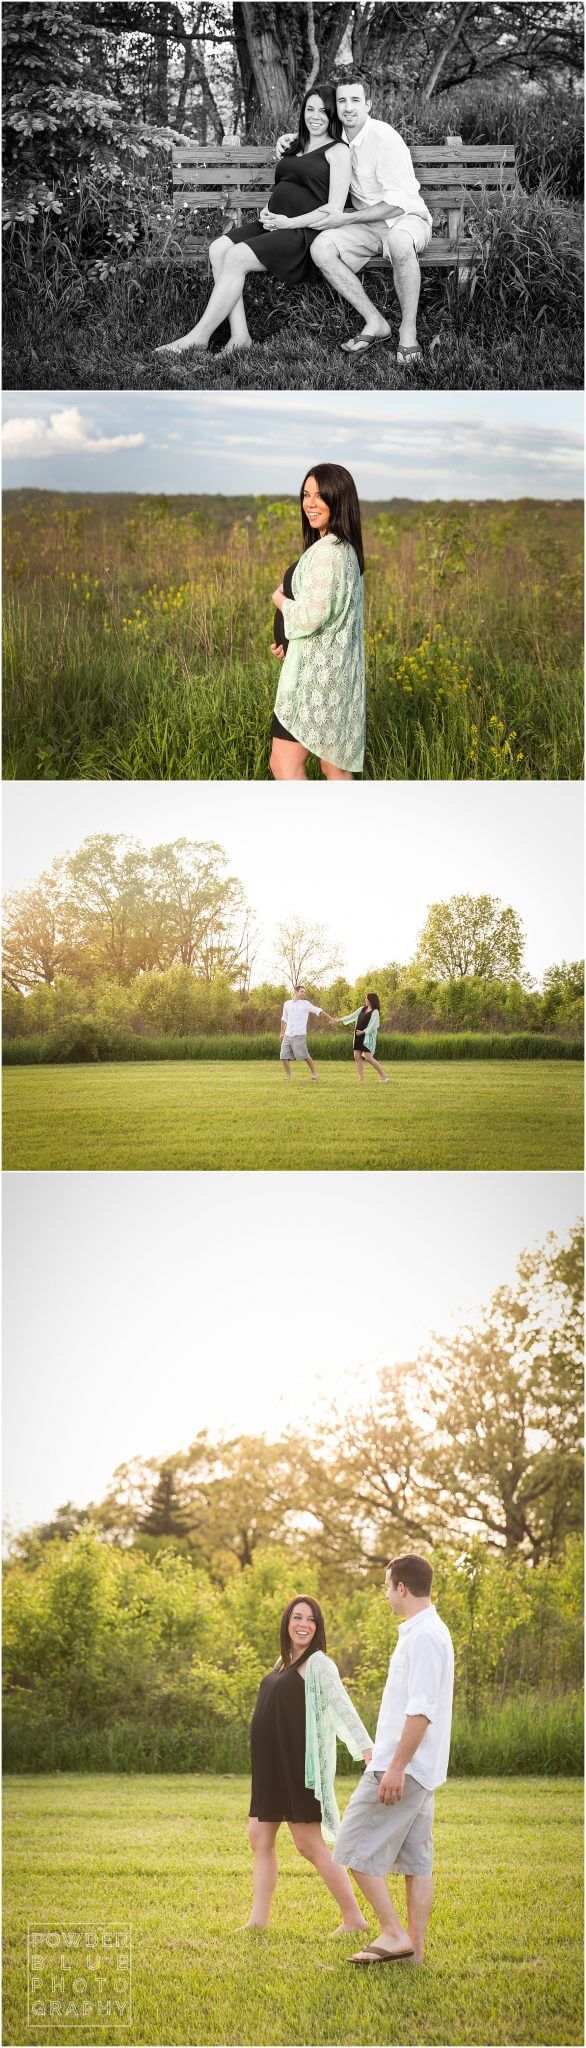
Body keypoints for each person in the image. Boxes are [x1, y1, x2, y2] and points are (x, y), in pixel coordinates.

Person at [155, 86, 350, 357]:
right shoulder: (296, 144)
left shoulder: (339, 151)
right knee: (218, 249)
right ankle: (239, 336)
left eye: (323, 111)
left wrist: (286, 223)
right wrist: (268, 210)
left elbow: (334, 209)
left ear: (333, 116)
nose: (315, 116)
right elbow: (288, 183)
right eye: (310, 109)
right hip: (274, 224)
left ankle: (199, 337)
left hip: (304, 232)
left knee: (235, 257)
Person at [332, 1553, 454, 1965]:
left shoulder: (424, 1636)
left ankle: (392, 1933)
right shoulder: (428, 1632)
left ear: (401, 1587)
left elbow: (421, 1710)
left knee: (349, 1847)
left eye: (387, 1587)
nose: (386, 1595)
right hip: (423, 1769)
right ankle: (413, 1954)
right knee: (416, 1862)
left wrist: (396, 1767)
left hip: (401, 1766)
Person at [277, 76, 432, 365]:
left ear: (368, 105)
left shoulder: (384, 139)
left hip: (406, 219)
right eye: (342, 101)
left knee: (398, 240)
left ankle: (407, 331)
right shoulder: (339, 138)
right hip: (367, 226)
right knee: (321, 249)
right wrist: (288, 139)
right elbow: (309, 139)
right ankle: (375, 322)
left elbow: (398, 204)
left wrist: (344, 218)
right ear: (335, 107)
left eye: (355, 100)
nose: (348, 108)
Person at [247, 1593, 373, 1932]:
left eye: (310, 1619)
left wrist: (367, 1752)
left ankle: (354, 1919)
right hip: (269, 1770)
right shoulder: (283, 1662)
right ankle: (258, 1921)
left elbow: (343, 1708)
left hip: (296, 1768)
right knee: (259, 1837)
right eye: (297, 1617)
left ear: (317, 1628)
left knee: (308, 1844)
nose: (303, 1624)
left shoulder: (318, 1664)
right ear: (287, 1623)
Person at [270, 465, 365, 781]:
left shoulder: (329, 552)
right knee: (333, 766)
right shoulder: (344, 549)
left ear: (339, 500)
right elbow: (330, 617)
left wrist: (278, 600)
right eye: (305, 495)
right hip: (333, 674)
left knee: (284, 765)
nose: (309, 503)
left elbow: (310, 617)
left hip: (314, 683)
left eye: (320, 496)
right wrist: (287, 643)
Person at [280, 984, 335, 1081]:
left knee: (304, 1055)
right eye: (302, 991)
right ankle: (288, 1076)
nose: (303, 994)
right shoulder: (287, 1004)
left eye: (304, 992)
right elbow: (284, 1019)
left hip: (299, 1034)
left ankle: (314, 1074)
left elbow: (318, 1011)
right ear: (295, 992)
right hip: (288, 1034)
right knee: (284, 1056)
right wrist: (281, 1032)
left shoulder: (305, 1004)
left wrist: (330, 1018)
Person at [337, 991, 388, 1081]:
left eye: (366, 998)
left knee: (368, 1058)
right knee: (356, 1056)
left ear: (371, 1000)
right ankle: (361, 1078)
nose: (365, 999)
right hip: (358, 1036)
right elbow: (351, 1016)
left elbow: (373, 1026)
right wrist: (338, 1020)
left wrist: (363, 1032)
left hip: (366, 1037)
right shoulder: (362, 1009)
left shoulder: (375, 1012)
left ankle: (383, 1075)